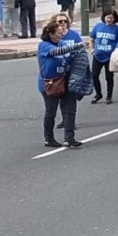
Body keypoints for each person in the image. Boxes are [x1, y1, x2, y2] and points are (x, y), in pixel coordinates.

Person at [36, 19, 87, 148]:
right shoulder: (44, 46)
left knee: (70, 109)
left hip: (64, 81)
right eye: (58, 33)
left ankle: (69, 138)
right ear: (51, 34)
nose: (61, 35)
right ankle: (49, 138)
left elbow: (70, 57)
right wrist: (76, 46)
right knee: (51, 111)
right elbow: (57, 52)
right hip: (49, 84)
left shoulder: (61, 43)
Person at [90, 8, 118, 104]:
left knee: (109, 77)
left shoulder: (117, 29)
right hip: (97, 55)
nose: (109, 20)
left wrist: (116, 53)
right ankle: (98, 94)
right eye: (107, 17)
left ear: (114, 19)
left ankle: (109, 96)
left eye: (111, 18)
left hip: (109, 57)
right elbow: (92, 38)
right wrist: (92, 49)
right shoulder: (98, 26)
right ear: (104, 17)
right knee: (94, 75)